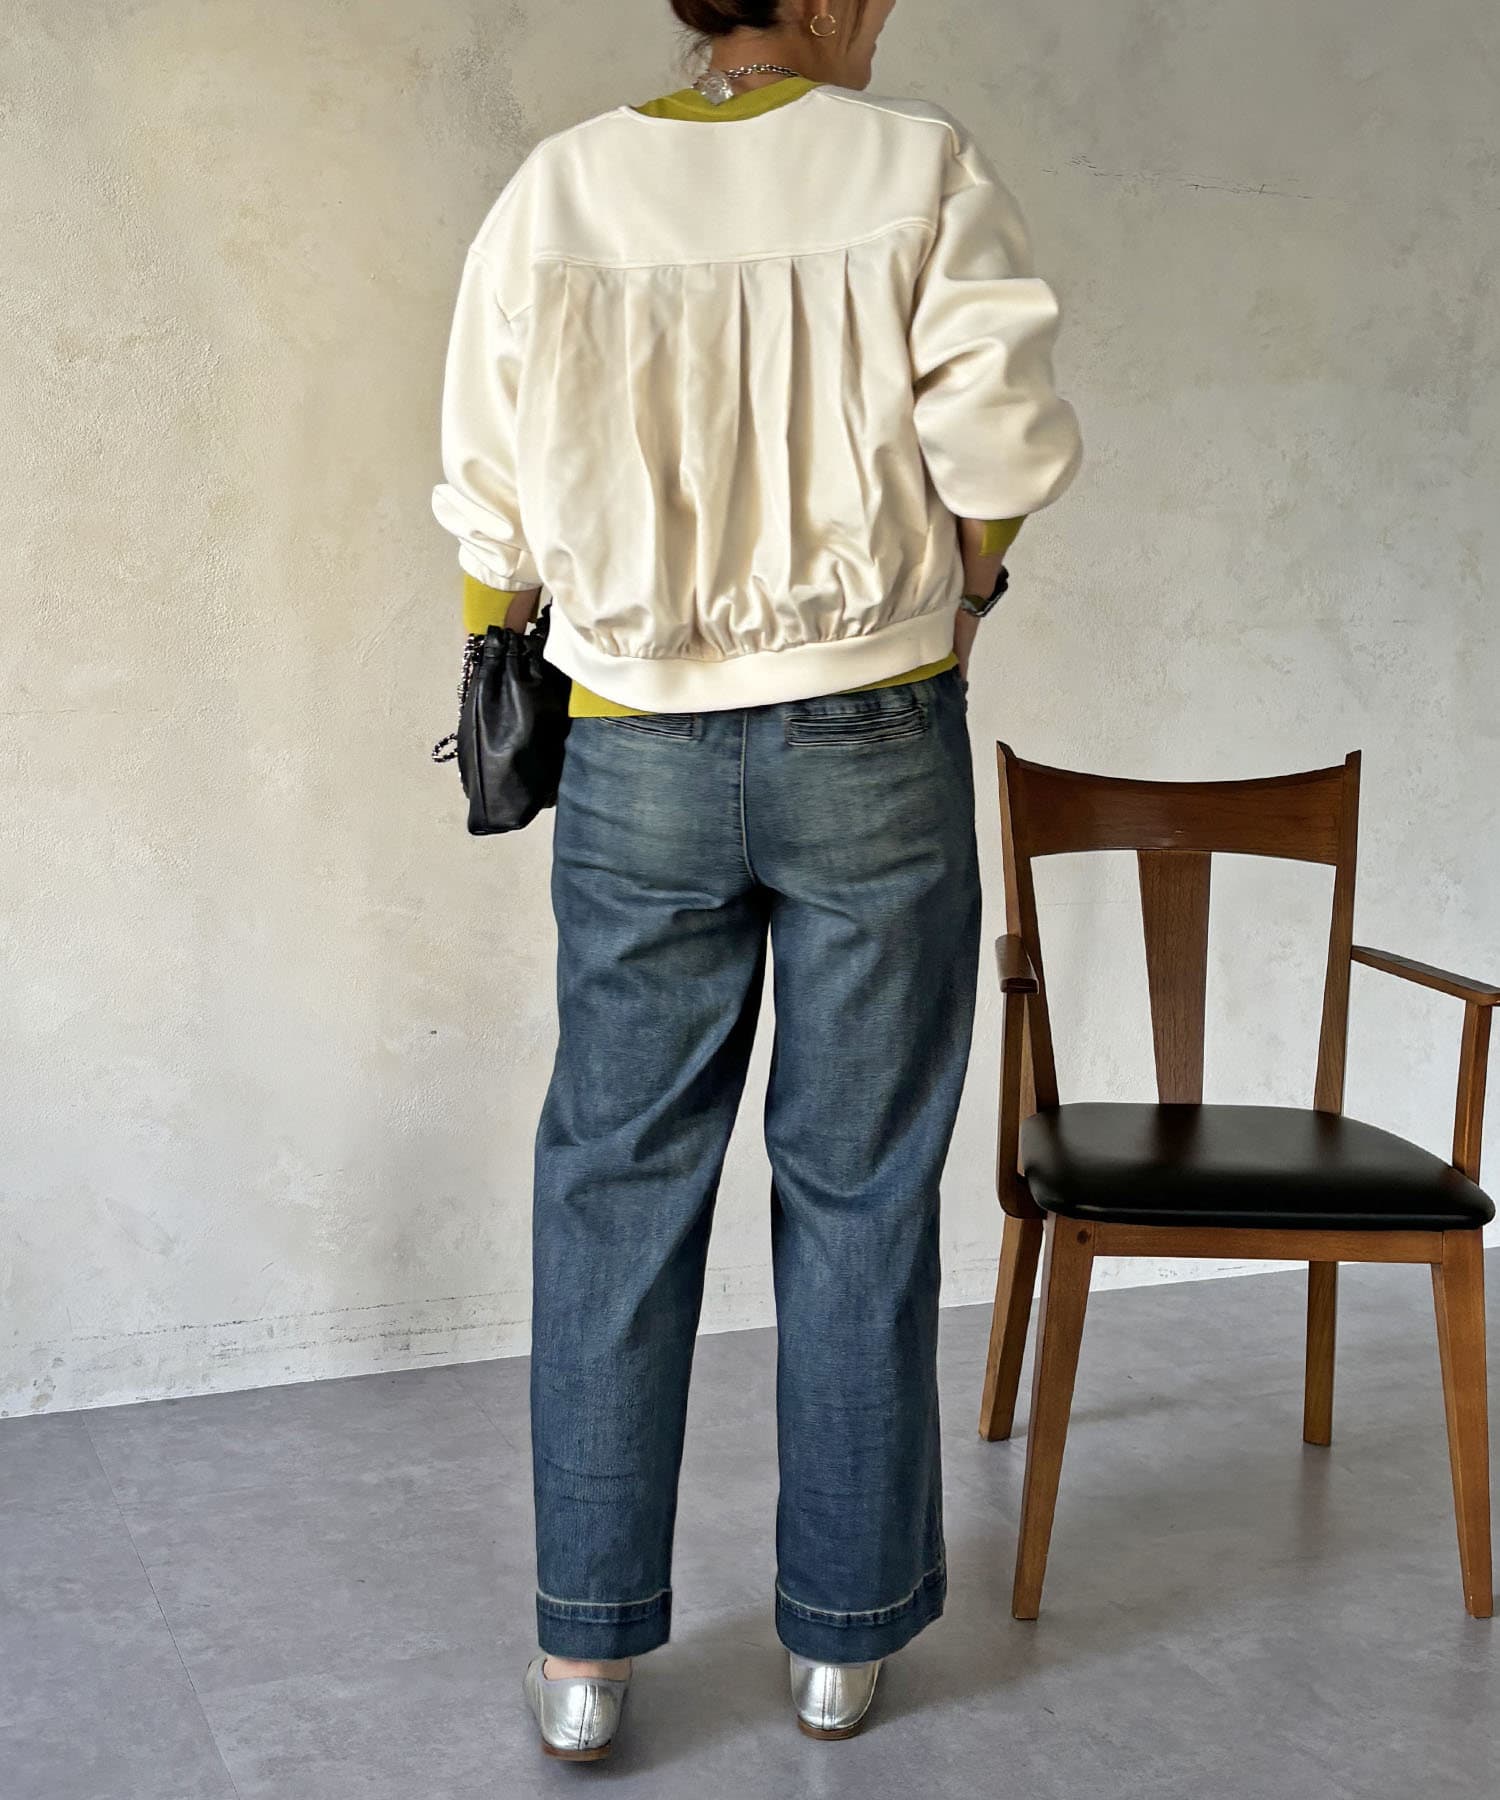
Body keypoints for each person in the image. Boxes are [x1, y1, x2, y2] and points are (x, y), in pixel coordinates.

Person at [430, 0, 1082, 1761]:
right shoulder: (916, 165)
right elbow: (1000, 448)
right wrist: (966, 594)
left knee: (614, 1181)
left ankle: (585, 1662)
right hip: (872, 728)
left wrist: (506, 653)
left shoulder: (560, 190)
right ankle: (840, 1644)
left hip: (634, 740)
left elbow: (490, 506)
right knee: (859, 1181)